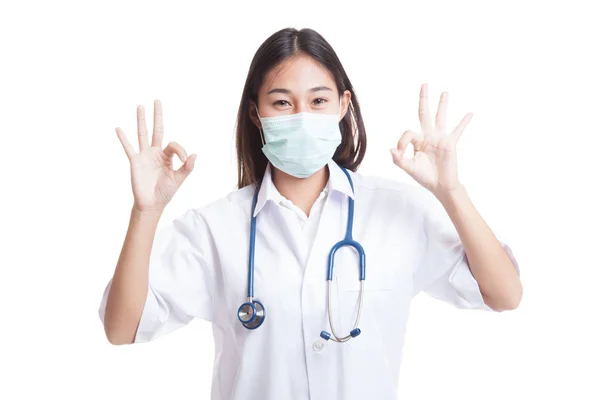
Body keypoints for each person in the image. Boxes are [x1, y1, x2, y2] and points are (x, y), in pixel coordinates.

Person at [98, 27, 522, 400]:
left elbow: (504, 294)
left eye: (318, 100)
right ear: (255, 113)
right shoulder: (215, 228)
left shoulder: (397, 211)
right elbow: (121, 328)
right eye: (282, 103)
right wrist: (145, 212)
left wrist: (451, 192)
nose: (301, 116)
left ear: (342, 106)